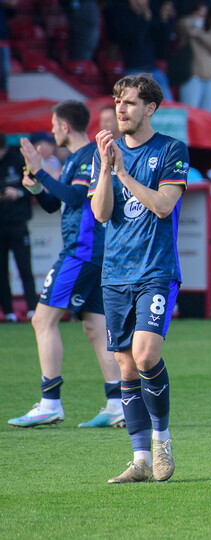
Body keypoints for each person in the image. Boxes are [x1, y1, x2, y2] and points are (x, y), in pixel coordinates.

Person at [89, 73, 189, 483]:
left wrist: (126, 172)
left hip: (156, 271)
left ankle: (163, 442)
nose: (121, 110)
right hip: (115, 274)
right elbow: (100, 213)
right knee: (126, 368)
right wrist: (108, 171)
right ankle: (141, 460)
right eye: (118, 103)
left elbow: (163, 206)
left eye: (129, 103)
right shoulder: (106, 154)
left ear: (150, 108)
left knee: (146, 356)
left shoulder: (171, 149)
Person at [8, 100, 124, 429]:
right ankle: (117, 403)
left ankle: (50, 402)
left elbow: (75, 198)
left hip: (82, 252)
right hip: (92, 253)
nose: (52, 128)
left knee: (42, 320)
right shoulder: (77, 158)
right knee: (95, 329)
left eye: (54, 123)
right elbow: (57, 204)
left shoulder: (87, 155)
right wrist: (36, 187)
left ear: (65, 126)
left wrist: (41, 170)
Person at [0, 136, 36, 323]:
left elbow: (33, 185)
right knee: (1, 271)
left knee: (25, 267)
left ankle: (31, 308)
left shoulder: (16, 159)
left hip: (18, 222)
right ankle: (8, 312)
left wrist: (19, 192)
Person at [176, 1, 211, 112]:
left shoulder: (210, 29)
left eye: (204, 14)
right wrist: (195, 29)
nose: (200, 17)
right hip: (193, 77)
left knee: (208, 114)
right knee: (191, 113)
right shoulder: (185, 24)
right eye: (198, 14)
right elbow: (183, 27)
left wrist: (198, 33)